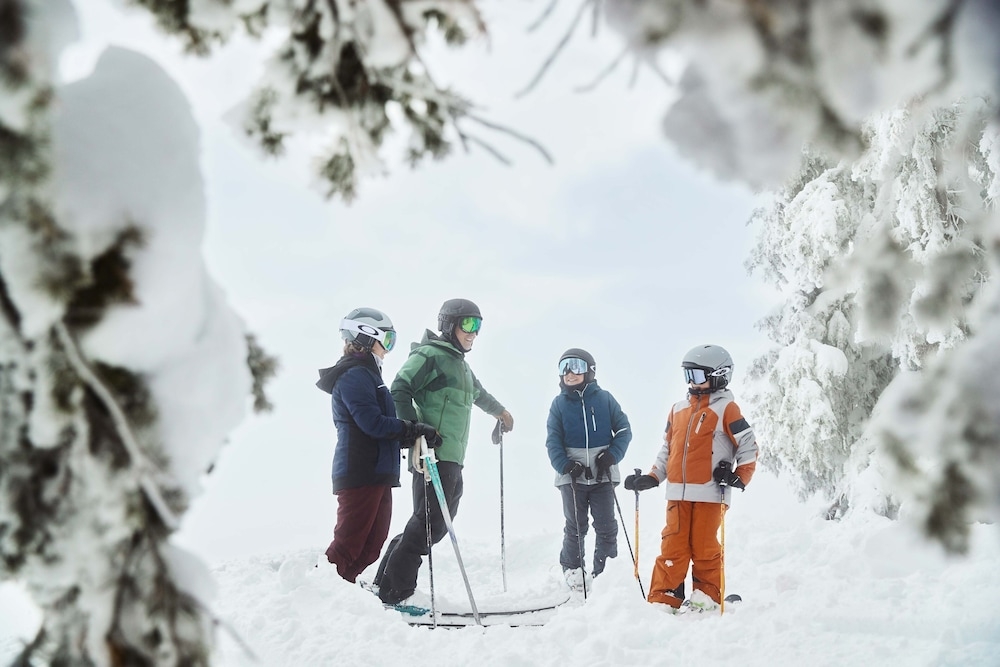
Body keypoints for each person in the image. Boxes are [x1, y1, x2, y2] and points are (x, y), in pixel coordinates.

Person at [374, 298, 514, 605]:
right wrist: (414, 431)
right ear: (449, 325)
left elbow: (480, 395)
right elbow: (400, 387)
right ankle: (397, 592)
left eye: (478, 326)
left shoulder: (461, 367)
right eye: (467, 324)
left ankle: (383, 583)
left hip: (453, 457)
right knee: (428, 523)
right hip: (431, 454)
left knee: (432, 523)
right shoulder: (429, 355)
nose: (473, 333)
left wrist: (500, 412)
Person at [625, 344, 758, 612]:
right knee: (672, 545)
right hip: (676, 493)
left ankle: (705, 596)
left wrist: (738, 476)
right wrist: (653, 477)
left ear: (720, 375)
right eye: (687, 375)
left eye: (697, 376)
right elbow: (667, 449)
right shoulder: (678, 409)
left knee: (704, 546)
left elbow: (748, 445)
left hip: (711, 492)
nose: (691, 383)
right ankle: (664, 598)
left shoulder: (727, 409)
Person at [316, 307, 442, 584]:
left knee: (372, 546)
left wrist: (411, 435)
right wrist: (411, 428)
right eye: (386, 341)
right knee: (349, 543)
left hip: (379, 471)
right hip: (360, 470)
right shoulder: (352, 376)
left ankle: (343, 593)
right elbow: (371, 423)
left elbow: (381, 425)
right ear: (364, 337)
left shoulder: (368, 375)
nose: (388, 348)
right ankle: (317, 594)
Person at [545, 348, 631, 590]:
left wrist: (612, 455)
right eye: (564, 368)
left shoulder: (605, 399)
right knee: (575, 525)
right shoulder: (559, 404)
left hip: (603, 474)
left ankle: (605, 574)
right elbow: (553, 440)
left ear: (590, 371)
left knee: (606, 526)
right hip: (572, 475)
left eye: (576, 366)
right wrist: (564, 465)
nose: (570, 373)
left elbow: (624, 430)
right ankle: (573, 571)